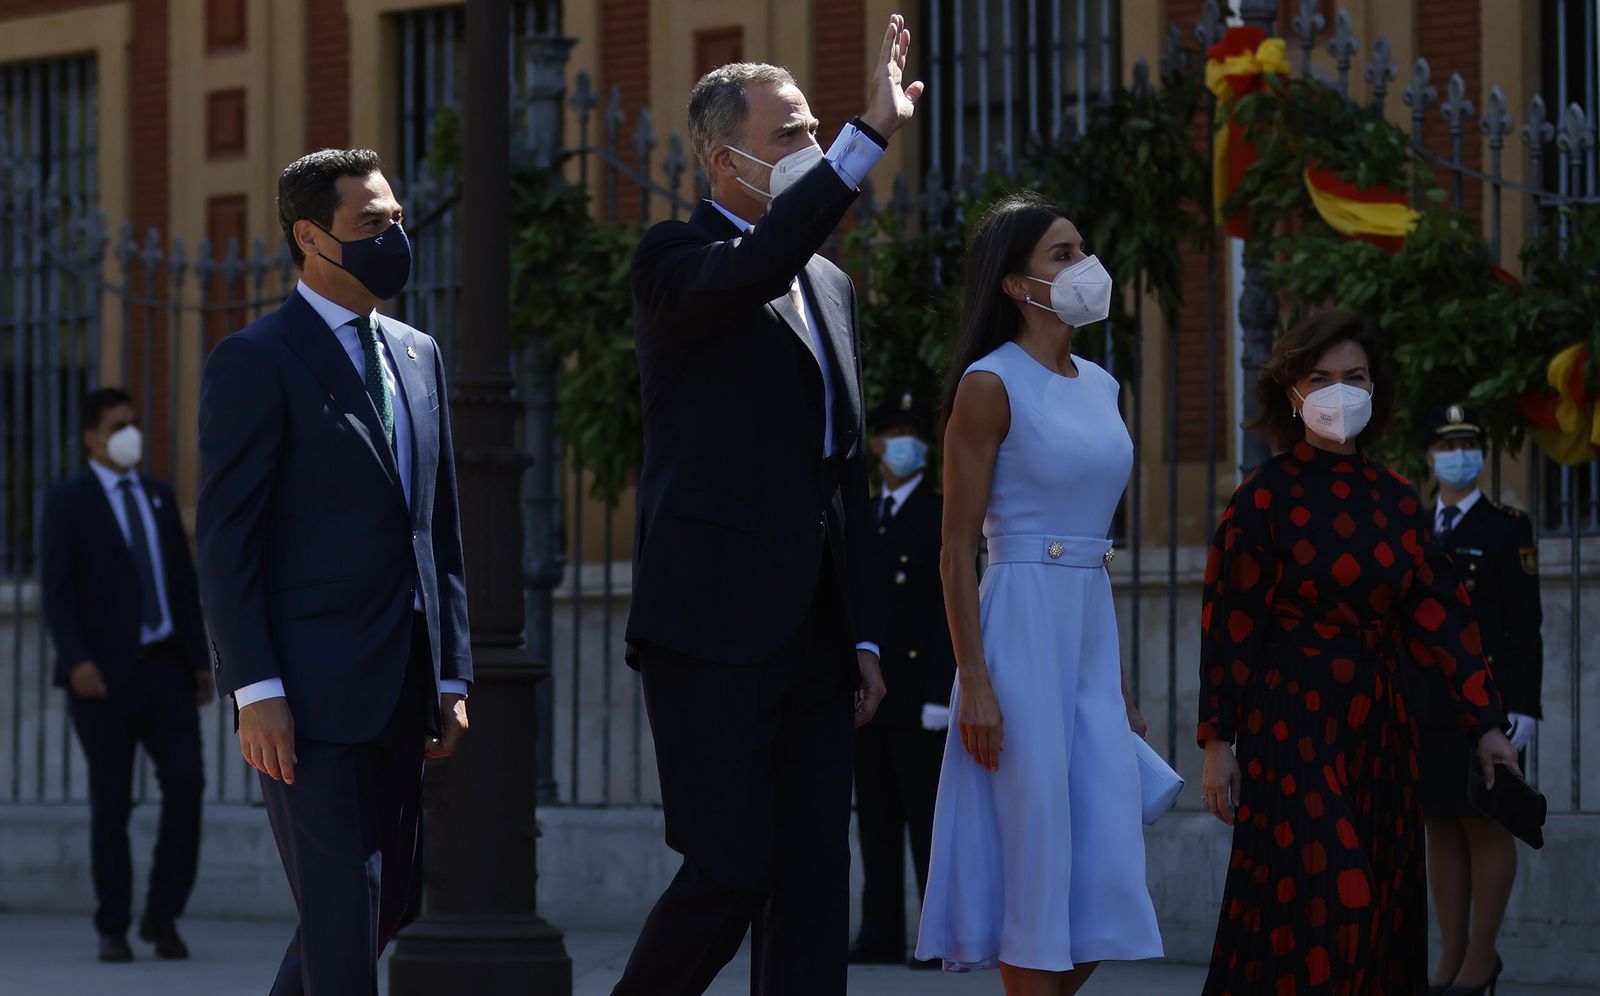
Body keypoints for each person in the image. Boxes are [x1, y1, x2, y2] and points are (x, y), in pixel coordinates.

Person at [615, 17, 921, 995]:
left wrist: (864, 637)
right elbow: (754, 268)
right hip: (710, 626)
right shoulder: (673, 259)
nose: (809, 146)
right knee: (729, 870)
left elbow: (843, 472)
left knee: (811, 885)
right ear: (724, 158)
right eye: (788, 134)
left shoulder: (829, 283)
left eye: (813, 127)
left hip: (817, 635)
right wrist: (865, 141)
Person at [196, 148, 472, 995]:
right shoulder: (257, 360)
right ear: (312, 238)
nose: (395, 237)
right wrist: (256, 689)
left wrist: (453, 670)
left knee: (386, 904)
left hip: (403, 682)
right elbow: (226, 543)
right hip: (306, 700)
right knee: (344, 917)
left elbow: (440, 529)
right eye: (373, 224)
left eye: (396, 219)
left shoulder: (418, 353)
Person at [1196, 311, 1522, 995]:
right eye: (1320, 379)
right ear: (1292, 392)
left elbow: (1442, 615)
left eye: (1354, 378)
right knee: (1337, 900)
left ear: (1375, 393)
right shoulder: (1262, 498)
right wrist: (1217, 743)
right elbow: (1229, 622)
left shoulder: (1397, 500)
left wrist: (1487, 725)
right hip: (1292, 725)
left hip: (1380, 729)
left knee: (1376, 911)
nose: (1338, 392)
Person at [916, 191, 1162, 993]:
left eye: (1081, 248)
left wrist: (1116, 688)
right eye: (1062, 254)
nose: (1084, 265)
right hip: (1016, 624)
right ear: (1017, 286)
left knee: (1105, 863)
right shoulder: (989, 385)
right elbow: (955, 550)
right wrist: (975, 684)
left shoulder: (1102, 385)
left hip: (1088, 624)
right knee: (1036, 862)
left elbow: (1094, 544)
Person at [40, 387, 211, 963]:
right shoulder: (68, 501)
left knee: (187, 784)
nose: (129, 434)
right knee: (110, 803)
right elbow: (57, 593)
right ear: (91, 436)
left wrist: (199, 662)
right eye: (118, 425)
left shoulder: (160, 498)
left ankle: (162, 916)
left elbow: (183, 589)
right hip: (103, 678)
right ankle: (112, 924)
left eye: (134, 423)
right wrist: (76, 658)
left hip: (165, 669)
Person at [1416, 404, 1543, 996]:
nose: (1457, 456)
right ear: (1430, 457)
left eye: (1468, 445)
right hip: (1427, 703)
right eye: (1447, 446)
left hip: (1486, 708)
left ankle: (1482, 956)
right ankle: (1452, 953)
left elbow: (1525, 624)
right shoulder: (1415, 524)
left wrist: (1524, 706)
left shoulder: (1505, 527)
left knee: (1486, 825)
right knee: (1440, 824)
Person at [850, 391, 956, 972]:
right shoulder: (863, 515)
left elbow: (948, 611)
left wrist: (944, 694)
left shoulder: (940, 514)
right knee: (875, 821)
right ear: (875, 445)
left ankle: (935, 935)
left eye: (912, 434)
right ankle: (879, 931)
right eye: (892, 434)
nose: (903, 444)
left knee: (928, 823)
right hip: (871, 697)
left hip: (921, 699)